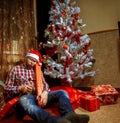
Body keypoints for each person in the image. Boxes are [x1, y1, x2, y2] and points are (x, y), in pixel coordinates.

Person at [4, 49, 89, 123]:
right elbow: (7, 88)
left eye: (34, 61)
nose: (32, 62)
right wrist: (20, 88)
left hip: (39, 94)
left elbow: (45, 85)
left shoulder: (37, 71)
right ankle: (55, 121)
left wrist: (45, 92)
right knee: (24, 100)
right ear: (26, 58)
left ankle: (70, 115)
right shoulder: (15, 69)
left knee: (62, 92)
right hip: (25, 97)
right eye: (30, 59)